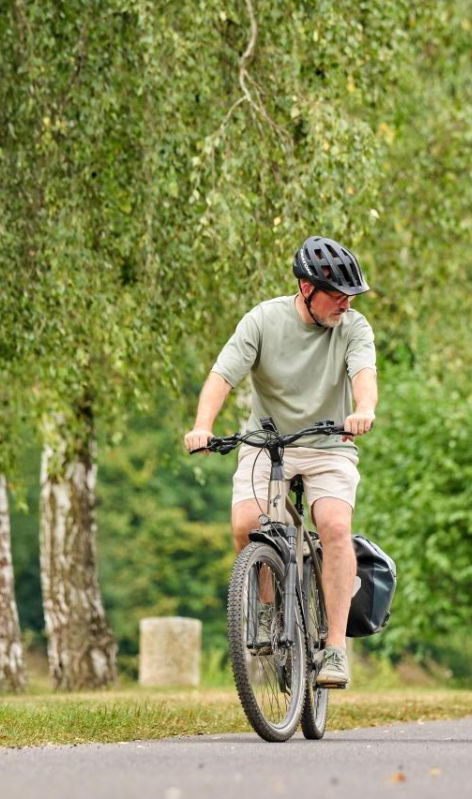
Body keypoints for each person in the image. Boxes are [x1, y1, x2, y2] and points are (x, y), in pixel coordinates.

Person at [184, 235, 378, 688]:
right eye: (337, 294)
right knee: (246, 523)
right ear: (306, 289)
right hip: (268, 441)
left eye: (351, 295)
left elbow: (363, 374)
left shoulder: (354, 327)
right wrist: (202, 425)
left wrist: (363, 409)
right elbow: (222, 374)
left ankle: (334, 648)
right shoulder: (263, 320)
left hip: (330, 443)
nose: (346, 304)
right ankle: (270, 614)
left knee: (332, 525)